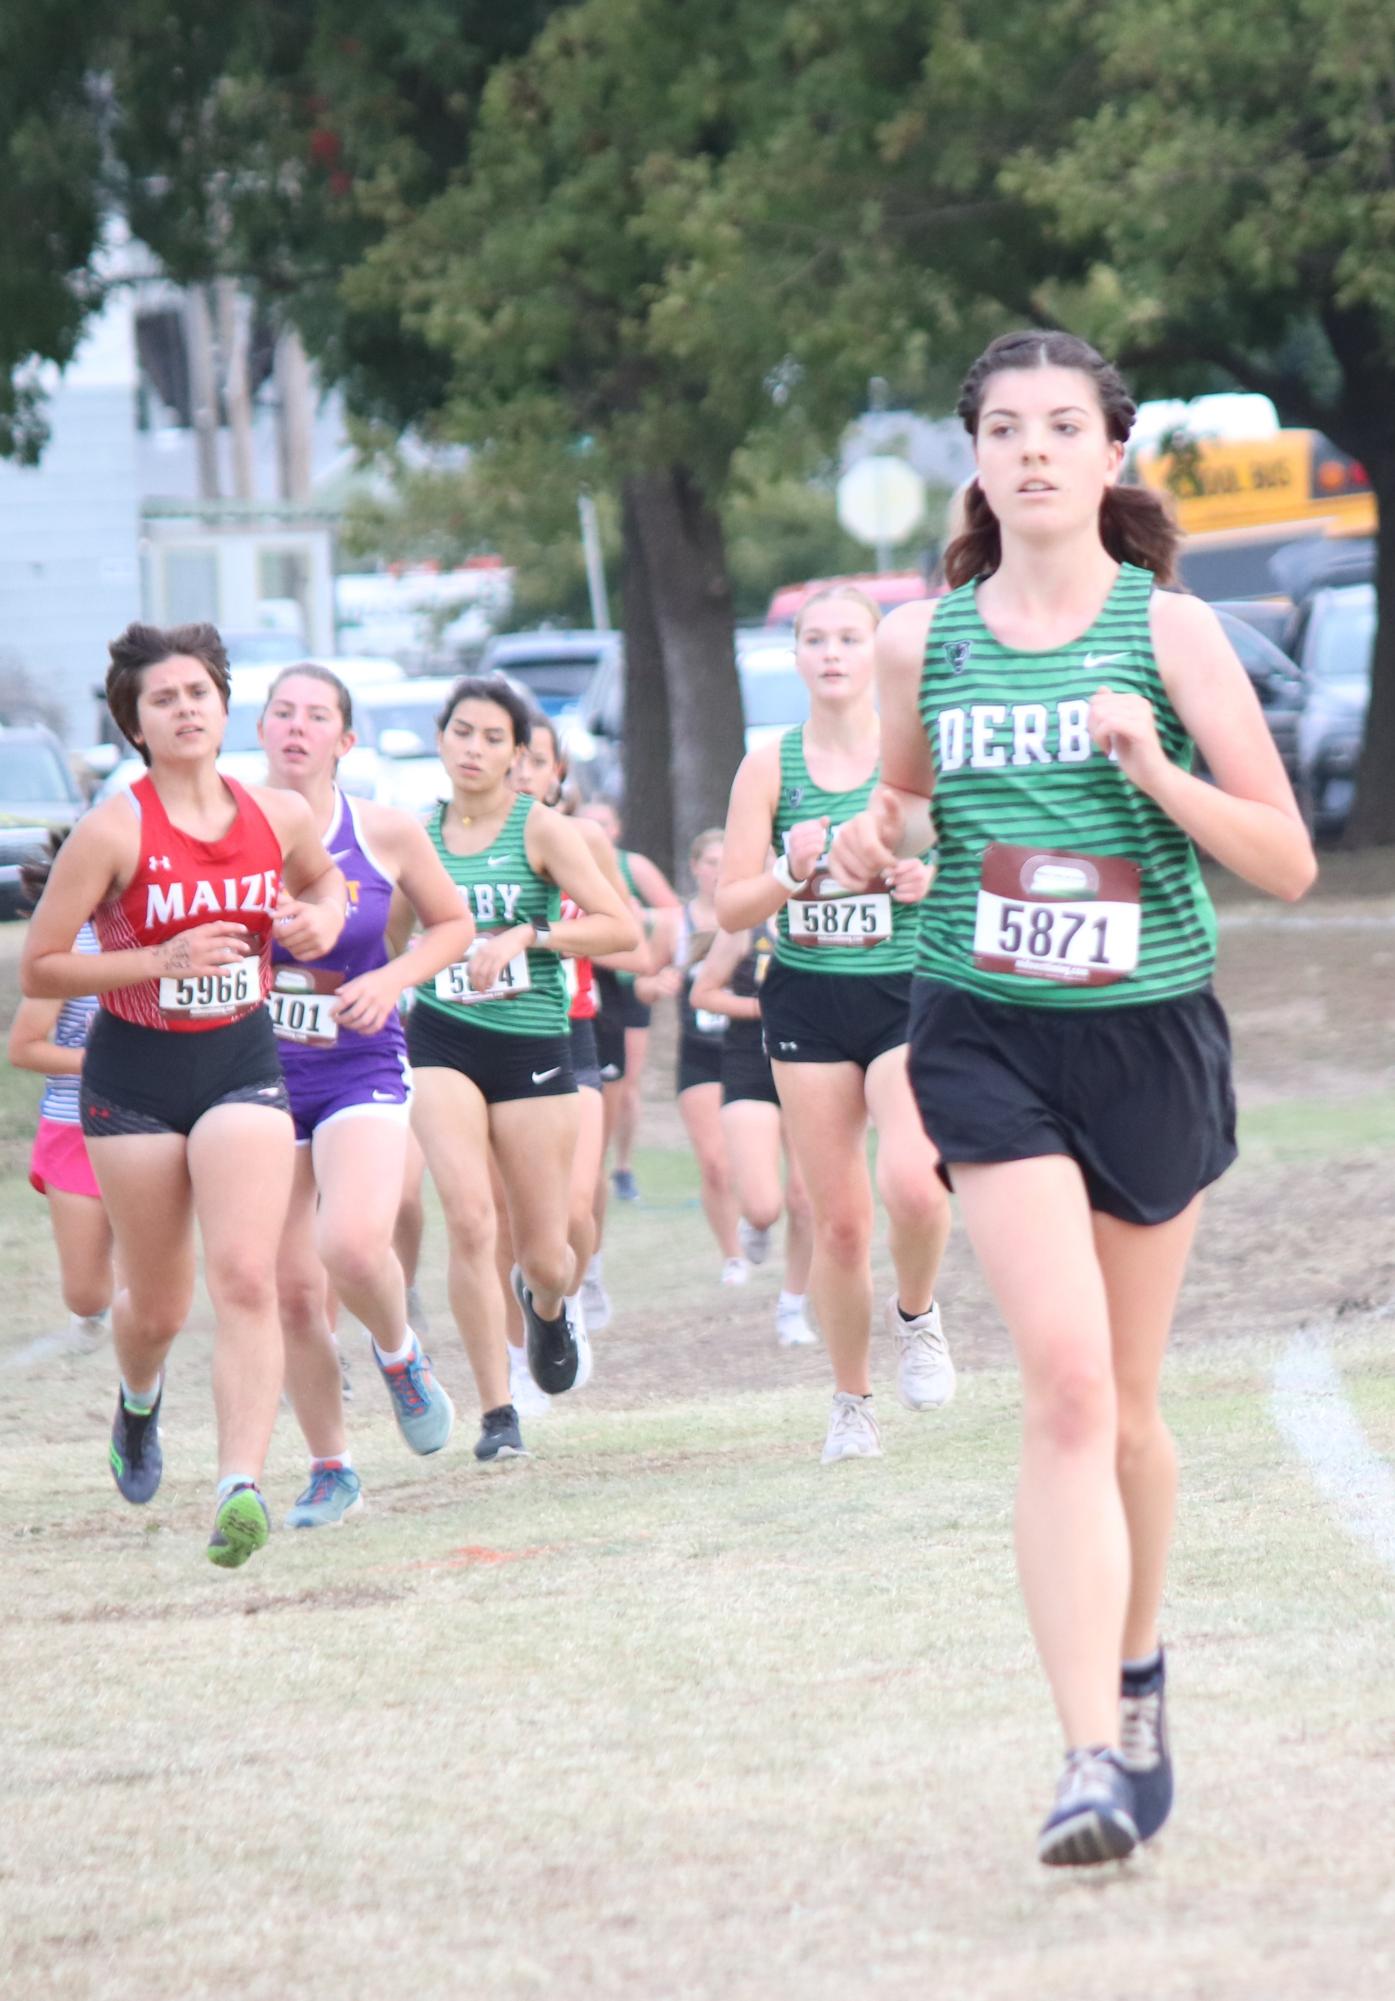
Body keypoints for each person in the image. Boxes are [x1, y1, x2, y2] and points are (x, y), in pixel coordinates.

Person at [831, 329, 1317, 1866]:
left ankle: (1137, 1659)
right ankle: (1084, 1761)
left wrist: (1151, 773)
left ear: (1110, 456)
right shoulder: (925, 643)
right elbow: (899, 805)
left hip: (1146, 1033)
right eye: (1000, 426)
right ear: (971, 457)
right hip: (980, 1026)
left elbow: (1284, 860)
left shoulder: (1168, 637)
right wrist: (862, 844)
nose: (1030, 449)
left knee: (1125, 1410)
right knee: (1060, 1384)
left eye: (1060, 425)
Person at [20, 621, 346, 1569]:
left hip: (242, 1060)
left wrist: (313, 920)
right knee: (157, 1306)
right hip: (136, 1072)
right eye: (164, 699)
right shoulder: (112, 828)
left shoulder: (278, 815)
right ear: (137, 723)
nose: (186, 709)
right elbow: (41, 965)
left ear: (222, 703)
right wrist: (157, 957)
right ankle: (138, 1399)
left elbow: (329, 891)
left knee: (244, 1275)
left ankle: (238, 1483)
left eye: (199, 692)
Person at [717, 586, 955, 1464]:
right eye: (813, 639)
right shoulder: (768, 766)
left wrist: (927, 879)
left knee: (918, 1185)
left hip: (906, 991)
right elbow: (728, 904)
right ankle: (851, 1401)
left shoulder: (913, 752)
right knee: (838, 1222)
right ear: (794, 656)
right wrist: (789, 866)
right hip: (808, 1001)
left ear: (876, 651)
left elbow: (970, 851)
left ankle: (918, 1313)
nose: (831, 653)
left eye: (848, 637)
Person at [259, 665, 475, 1526]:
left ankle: (399, 1353)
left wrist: (391, 976)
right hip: (257, 1078)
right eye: (283, 712)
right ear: (264, 730)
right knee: (292, 1291)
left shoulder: (382, 830)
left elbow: (452, 925)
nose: (298, 727)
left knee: (350, 1247)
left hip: (358, 1065)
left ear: (345, 741)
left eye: (318, 716)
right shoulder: (227, 833)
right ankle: (331, 1466)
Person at [404, 676, 637, 1461]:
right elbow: (386, 937)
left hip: (534, 1044)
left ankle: (545, 1308)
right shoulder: (415, 836)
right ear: (441, 739)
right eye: (460, 731)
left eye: (491, 737)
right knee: (470, 1217)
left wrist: (526, 936)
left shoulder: (540, 830)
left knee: (544, 1251)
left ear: (516, 754)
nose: (473, 747)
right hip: (442, 1038)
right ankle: (496, 1411)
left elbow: (618, 927)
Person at [8, 845, 115, 1356]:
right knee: (85, 1291)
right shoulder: (70, 948)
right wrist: (105, 1061)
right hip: (75, 1126)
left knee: (156, 1267)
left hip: (156, 1122)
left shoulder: (173, 943)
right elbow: (24, 1048)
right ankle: (96, 1318)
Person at [689, 919, 816, 1346]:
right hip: (750, 1066)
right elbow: (701, 993)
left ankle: (792, 1308)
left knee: (807, 1197)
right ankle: (755, 1223)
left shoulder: (826, 919)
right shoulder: (746, 928)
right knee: (764, 1207)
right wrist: (765, 1007)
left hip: (812, 1067)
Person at [649, 829, 747, 1284]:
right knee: (714, 1162)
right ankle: (732, 1257)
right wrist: (659, 983)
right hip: (699, 1053)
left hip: (752, 1049)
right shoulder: (676, 922)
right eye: (710, 861)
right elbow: (644, 981)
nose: (718, 870)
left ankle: (756, 1220)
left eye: (727, 861)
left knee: (754, 1161)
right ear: (694, 868)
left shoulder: (754, 914)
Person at [579, 799, 679, 1203]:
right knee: (597, 1081)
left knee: (626, 1083)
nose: (596, 832)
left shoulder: (631, 866)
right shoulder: (566, 860)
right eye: (589, 824)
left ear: (616, 829)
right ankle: (594, 1163)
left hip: (629, 981)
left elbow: (673, 913)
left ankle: (622, 1166)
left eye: (603, 823)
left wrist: (645, 929)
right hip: (593, 977)